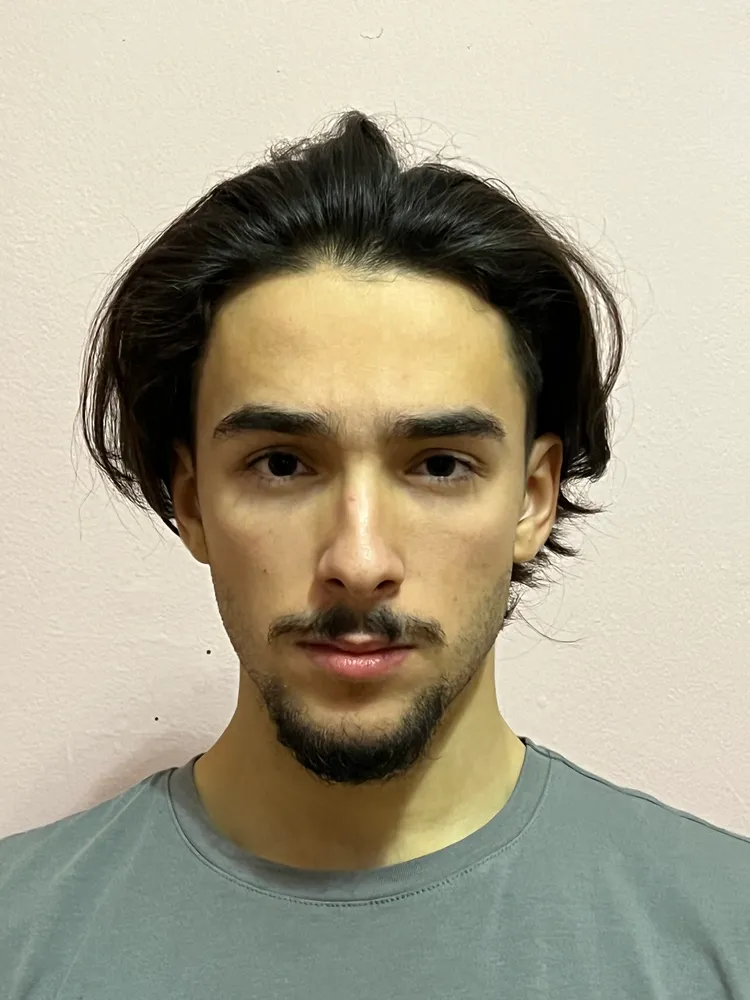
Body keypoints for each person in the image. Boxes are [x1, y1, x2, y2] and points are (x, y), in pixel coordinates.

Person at [1, 110, 748, 999]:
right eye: (282, 465)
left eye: (439, 466)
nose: (358, 562)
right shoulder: (19, 938)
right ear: (191, 499)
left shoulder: (724, 937)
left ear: (533, 498)